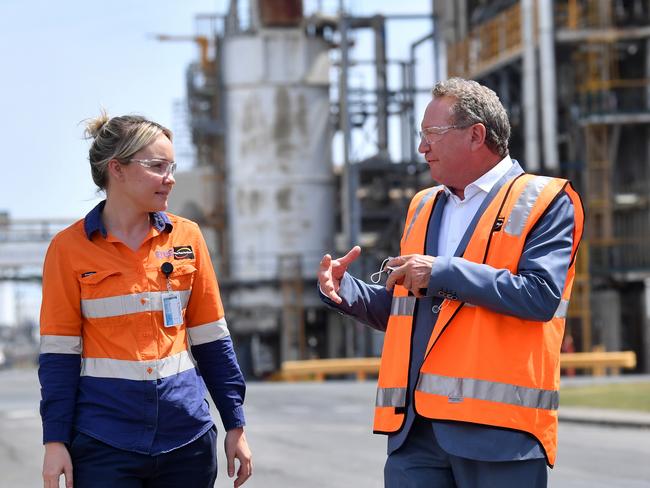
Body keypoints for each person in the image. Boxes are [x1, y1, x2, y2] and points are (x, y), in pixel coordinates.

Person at [318, 77, 583, 487]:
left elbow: (541, 296)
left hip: (498, 435)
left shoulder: (545, 200)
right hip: (416, 435)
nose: (423, 148)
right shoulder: (423, 205)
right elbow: (409, 313)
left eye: (432, 134)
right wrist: (347, 291)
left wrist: (442, 272)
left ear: (476, 135)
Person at [38, 112, 252, 488]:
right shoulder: (67, 250)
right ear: (116, 169)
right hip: (104, 443)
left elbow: (213, 341)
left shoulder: (188, 238)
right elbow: (59, 357)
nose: (169, 177)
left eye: (171, 166)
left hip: (186, 440)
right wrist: (55, 441)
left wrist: (235, 424)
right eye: (156, 166)